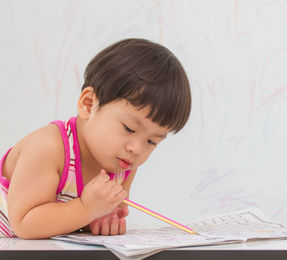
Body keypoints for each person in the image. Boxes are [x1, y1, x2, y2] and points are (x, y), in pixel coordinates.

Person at [0, 38, 191, 239]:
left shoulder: (123, 165)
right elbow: (24, 224)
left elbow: (74, 223)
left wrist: (101, 220)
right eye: (129, 128)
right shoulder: (48, 147)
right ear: (89, 104)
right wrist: (86, 209)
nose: (137, 149)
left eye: (152, 142)